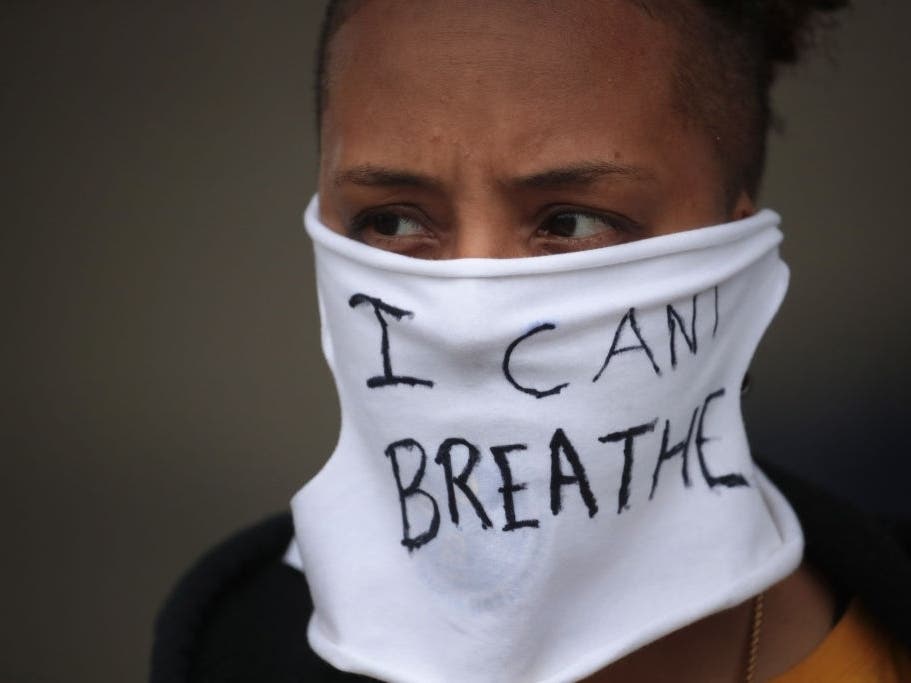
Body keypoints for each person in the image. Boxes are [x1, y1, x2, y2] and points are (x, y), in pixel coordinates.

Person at [151, 1, 911, 681]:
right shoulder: (235, 642)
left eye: (570, 221)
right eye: (393, 221)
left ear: (730, 244)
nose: (470, 319)